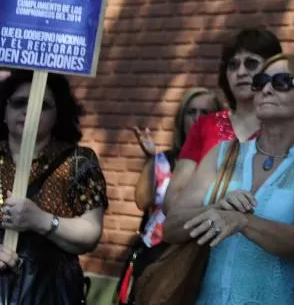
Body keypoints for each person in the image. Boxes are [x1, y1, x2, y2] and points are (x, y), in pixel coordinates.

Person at [163, 54, 294, 304]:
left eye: (281, 82)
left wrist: (242, 221)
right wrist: (214, 208)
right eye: (261, 82)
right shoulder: (223, 154)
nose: (266, 89)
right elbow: (170, 228)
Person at [0, 70, 108, 304]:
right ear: (4, 112)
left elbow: (90, 233)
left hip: (50, 291)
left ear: (58, 114)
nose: (30, 110)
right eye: (20, 102)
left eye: (43, 104)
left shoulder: (78, 161)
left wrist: (40, 220)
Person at [117, 87, 222, 303]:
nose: (198, 119)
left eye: (205, 112)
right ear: (181, 119)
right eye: (191, 112)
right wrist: (152, 160)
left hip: (201, 258)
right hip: (156, 252)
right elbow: (141, 200)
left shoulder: (226, 160)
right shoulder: (166, 159)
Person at [163, 28, 282, 212]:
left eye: (251, 63)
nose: (240, 72)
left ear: (272, 69)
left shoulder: (285, 127)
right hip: (202, 234)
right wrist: (217, 203)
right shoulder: (205, 125)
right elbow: (172, 202)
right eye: (233, 65)